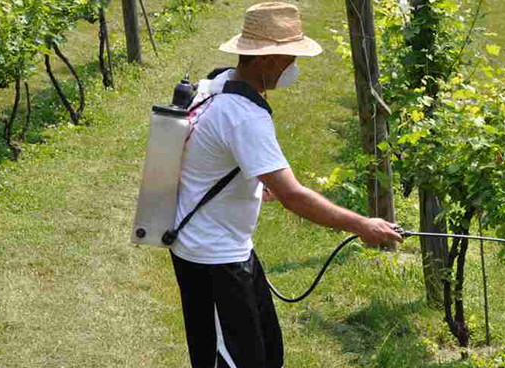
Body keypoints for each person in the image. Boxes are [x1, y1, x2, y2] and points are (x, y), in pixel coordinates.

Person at [168, 2, 403, 368]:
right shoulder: (245, 116)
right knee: (229, 360)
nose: (292, 67)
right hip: (212, 259)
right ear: (266, 59)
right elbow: (294, 195)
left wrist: (254, 185)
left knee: (267, 354)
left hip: (227, 249)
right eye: (289, 57)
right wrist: (361, 224)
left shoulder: (215, 83)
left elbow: (206, 154)